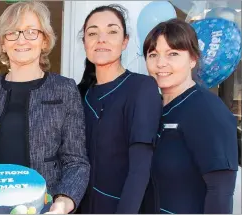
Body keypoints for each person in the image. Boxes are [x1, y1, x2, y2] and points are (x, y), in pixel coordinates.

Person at [0, 1, 90, 214]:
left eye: (31, 32)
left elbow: (76, 161)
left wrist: (63, 201)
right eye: (12, 32)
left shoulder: (64, 89)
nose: (21, 39)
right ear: (3, 43)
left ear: (44, 40)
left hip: (44, 207)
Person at [142, 18, 238, 214]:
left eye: (173, 54)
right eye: (153, 55)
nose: (161, 63)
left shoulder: (207, 111)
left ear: (193, 59)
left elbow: (220, 192)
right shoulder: (153, 108)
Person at [77, 4, 163, 214]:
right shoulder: (81, 94)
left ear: (125, 41)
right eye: (93, 33)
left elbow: (139, 170)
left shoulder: (141, 88)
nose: (101, 39)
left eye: (112, 31)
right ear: (85, 42)